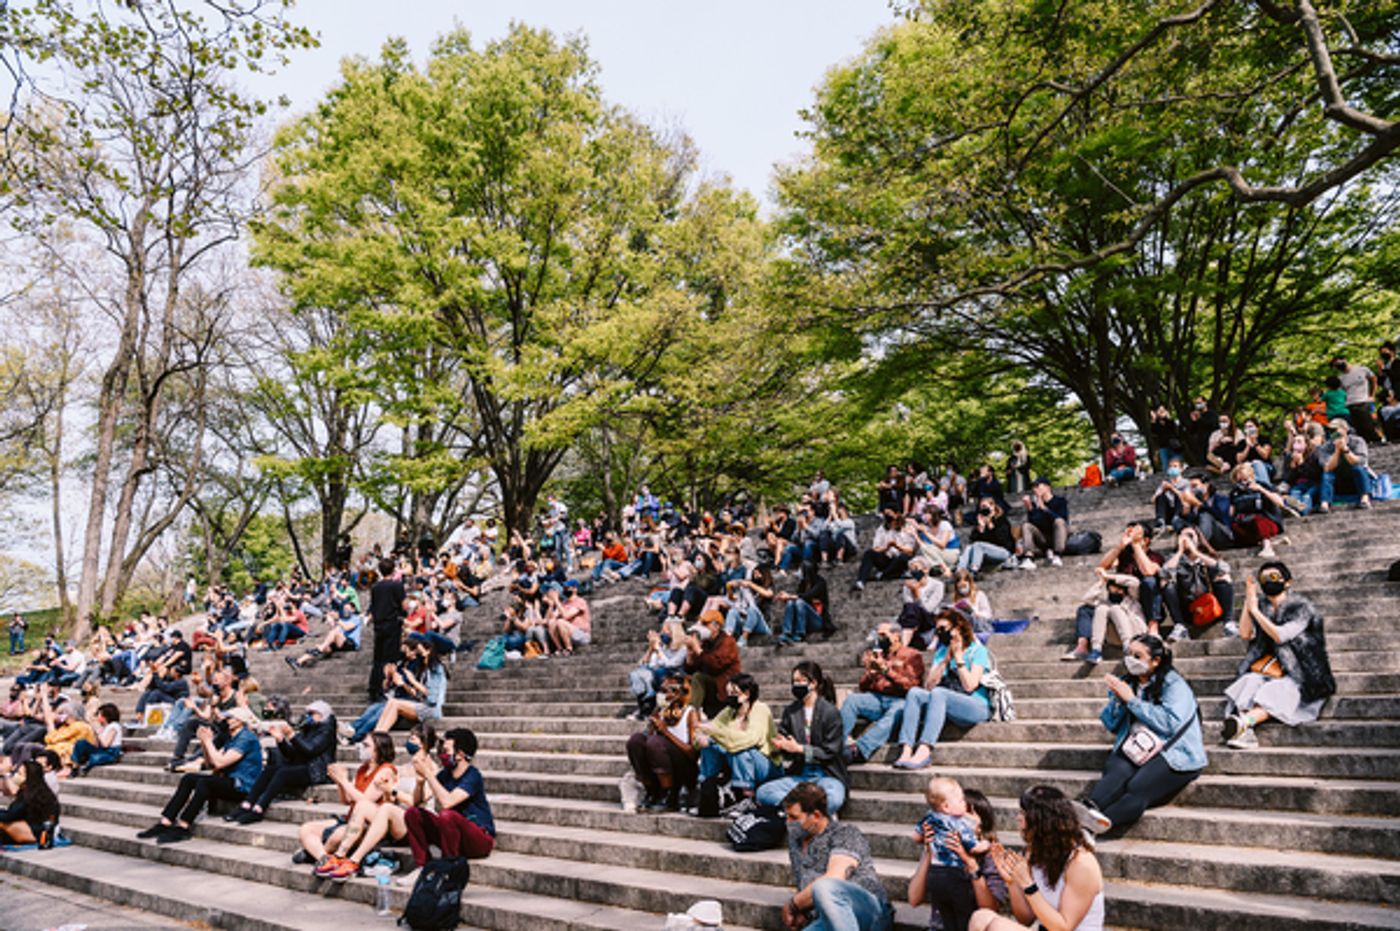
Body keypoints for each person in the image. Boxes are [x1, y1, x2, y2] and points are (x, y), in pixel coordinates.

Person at [1076, 635, 1205, 835]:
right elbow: (1111, 724)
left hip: (1175, 752)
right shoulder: (1129, 682)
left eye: (1138, 655)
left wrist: (1132, 701)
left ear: (1155, 660)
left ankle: (1094, 827)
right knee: (1115, 772)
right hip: (1137, 746)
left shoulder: (1174, 685)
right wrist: (1119, 700)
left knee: (1138, 787)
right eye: (1128, 654)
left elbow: (1170, 724)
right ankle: (1087, 811)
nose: (1130, 660)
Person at [1221, 562, 1335, 750]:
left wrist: (1256, 611)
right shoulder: (1263, 606)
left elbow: (1280, 635)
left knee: (1278, 690)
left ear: (1288, 582)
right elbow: (1245, 634)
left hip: (1302, 673)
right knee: (1249, 681)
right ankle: (1244, 730)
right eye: (1264, 578)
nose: (1268, 581)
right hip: (1271, 668)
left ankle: (1244, 722)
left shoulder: (1302, 607)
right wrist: (1249, 605)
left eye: (1273, 577)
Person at [975, 786, 1105, 931]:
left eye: (1023, 813)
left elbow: (1063, 927)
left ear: (1041, 820)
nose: (1018, 818)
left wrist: (1028, 884)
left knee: (998, 927)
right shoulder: (1035, 852)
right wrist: (1012, 883)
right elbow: (1025, 919)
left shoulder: (1081, 863)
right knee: (980, 918)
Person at [137, 705, 264, 844]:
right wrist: (204, 742)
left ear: (240, 721)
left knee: (205, 783)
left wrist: (209, 741)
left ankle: (184, 826)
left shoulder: (246, 738)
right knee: (188, 778)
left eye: (229, 717)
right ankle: (165, 822)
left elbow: (220, 763)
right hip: (230, 781)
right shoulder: (232, 738)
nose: (225, 720)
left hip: (243, 785)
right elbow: (211, 764)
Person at [780, 782, 893, 931]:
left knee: (825, 886)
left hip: (869, 913)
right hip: (828, 919)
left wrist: (793, 904)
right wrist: (803, 911)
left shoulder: (845, 833)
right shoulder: (796, 841)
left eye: (794, 817)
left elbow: (834, 878)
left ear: (815, 815)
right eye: (786, 816)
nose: (788, 822)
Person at [893, 609, 993, 770]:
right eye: (937, 629)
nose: (939, 633)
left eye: (943, 629)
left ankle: (924, 750)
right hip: (948, 702)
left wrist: (959, 658)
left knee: (940, 693)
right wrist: (946, 660)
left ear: (957, 628)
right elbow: (928, 686)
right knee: (915, 693)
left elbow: (970, 685)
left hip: (976, 705)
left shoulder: (978, 651)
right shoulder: (941, 652)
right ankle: (906, 748)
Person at [400, 728, 495, 880]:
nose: (442, 755)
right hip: (453, 835)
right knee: (413, 813)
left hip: (479, 840)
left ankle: (447, 869)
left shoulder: (473, 776)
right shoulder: (445, 775)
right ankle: (423, 866)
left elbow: (447, 802)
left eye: (446, 751)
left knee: (447, 816)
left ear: (460, 755)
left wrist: (428, 773)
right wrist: (420, 783)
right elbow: (417, 802)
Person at [298, 732, 398, 874]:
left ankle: (313, 854)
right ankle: (323, 858)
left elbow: (364, 802)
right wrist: (339, 781)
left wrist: (344, 780)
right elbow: (347, 800)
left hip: (369, 824)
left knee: (337, 837)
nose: (361, 748)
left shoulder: (386, 770)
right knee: (306, 829)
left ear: (378, 750)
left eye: (366, 745)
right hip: (350, 819)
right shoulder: (362, 769)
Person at [756, 661, 848, 814]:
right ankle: (808, 812)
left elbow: (830, 751)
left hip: (826, 774)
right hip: (801, 774)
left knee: (835, 797)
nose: (796, 685)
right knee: (764, 792)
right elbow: (786, 743)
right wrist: (782, 746)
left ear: (813, 683)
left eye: (800, 681)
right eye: (794, 682)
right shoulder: (791, 711)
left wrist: (799, 748)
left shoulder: (830, 712)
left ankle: (797, 811)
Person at [910, 788, 1008, 931]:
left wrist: (971, 864)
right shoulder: (940, 851)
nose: (957, 821)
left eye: (966, 814)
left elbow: (990, 909)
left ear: (980, 824)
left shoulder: (990, 856)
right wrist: (928, 854)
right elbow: (914, 899)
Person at [226, 700, 336, 824]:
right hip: (301, 765)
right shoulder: (307, 728)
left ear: (323, 715)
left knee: (282, 772)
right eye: (308, 713)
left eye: (313, 713)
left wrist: (292, 736)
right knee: (270, 770)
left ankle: (259, 808)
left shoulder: (327, 731)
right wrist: (281, 740)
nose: (308, 716)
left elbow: (310, 750)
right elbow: (291, 754)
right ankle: (247, 803)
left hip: (316, 770)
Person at [839, 622, 925, 765]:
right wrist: (870, 673)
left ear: (896, 636)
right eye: (878, 635)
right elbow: (863, 687)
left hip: (900, 699)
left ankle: (859, 749)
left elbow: (912, 686)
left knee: (898, 710)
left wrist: (886, 670)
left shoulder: (912, 655)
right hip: (877, 698)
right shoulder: (879, 654)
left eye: (884, 635)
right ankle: (837, 743)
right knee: (852, 700)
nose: (879, 638)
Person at [694, 673, 779, 810]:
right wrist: (702, 738)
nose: (730, 697)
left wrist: (714, 734)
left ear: (747, 694)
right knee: (710, 747)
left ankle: (746, 797)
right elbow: (704, 733)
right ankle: (707, 789)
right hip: (736, 762)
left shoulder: (760, 709)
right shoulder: (728, 712)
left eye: (734, 693)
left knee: (739, 750)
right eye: (728, 693)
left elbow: (750, 739)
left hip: (765, 764)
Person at [624, 673, 699, 812]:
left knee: (655, 742)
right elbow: (646, 743)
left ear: (679, 692)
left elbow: (693, 753)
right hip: (660, 761)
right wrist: (653, 726)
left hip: (684, 766)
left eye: (667, 691)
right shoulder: (660, 711)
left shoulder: (690, 713)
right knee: (636, 740)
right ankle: (651, 790)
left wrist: (666, 732)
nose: (663, 695)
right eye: (661, 690)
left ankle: (669, 794)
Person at [1159, 526, 1234, 641]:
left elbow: (1225, 568)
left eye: (1190, 536)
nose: (1187, 540)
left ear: (1198, 539)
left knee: (1224, 577)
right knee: (1166, 582)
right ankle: (1180, 627)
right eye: (1183, 537)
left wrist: (1196, 553)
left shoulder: (1207, 557)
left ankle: (1228, 624)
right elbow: (1163, 573)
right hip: (1189, 610)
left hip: (1212, 607)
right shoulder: (1174, 559)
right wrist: (1180, 552)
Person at [683, 609, 742, 719]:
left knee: (698, 677)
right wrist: (690, 654)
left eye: (706, 624)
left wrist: (697, 648)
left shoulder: (728, 642)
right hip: (711, 685)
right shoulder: (706, 643)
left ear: (717, 626)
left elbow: (716, 665)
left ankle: (692, 714)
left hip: (724, 686)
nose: (703, 627)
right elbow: (690, 669)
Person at [625, 619, 688, 720]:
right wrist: (651, 649)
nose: (662, 634)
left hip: (673, 674)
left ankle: (645, 709)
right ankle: (645, 707)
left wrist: (658, 650)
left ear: (674, 633)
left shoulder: (683, 648)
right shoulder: (663, 647)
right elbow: (645, 664)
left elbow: (671, 664)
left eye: (665, 631)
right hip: (656, 674)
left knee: (652, 675)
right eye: (662, 631)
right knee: (637, 674)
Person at [367, 558, 406, 701]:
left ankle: (373, 687)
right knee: (390, 658)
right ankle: (385, 687)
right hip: (391, 623)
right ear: (393, 569)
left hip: (379, 625)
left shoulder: (375, 587)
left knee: (378, 658)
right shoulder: (396, 585)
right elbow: (404, 605)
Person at [852, 510, 916, 592]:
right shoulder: (882, 529)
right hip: (886, 556)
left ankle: (883, 574)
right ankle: (861, 581)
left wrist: (897, 546)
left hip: (899, 559)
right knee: (869, 553)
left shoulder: (906, 529)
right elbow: (875, 548)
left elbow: (910, 550)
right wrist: (886, 547)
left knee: (903, 558)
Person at [1318, 417, 1374, 512]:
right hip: (1339, 481)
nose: (1333, 432)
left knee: (1359, 469)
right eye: (1331, 430)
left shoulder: (1358, 441)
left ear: (1345, 429)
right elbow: (1327, 467)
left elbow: (1359, 462)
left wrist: (1345, 449)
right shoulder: (1326, 447)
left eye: (1335, 429)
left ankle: (1365, 499)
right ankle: (1324, 504)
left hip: (1357, 479)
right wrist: (1337, 451)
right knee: (1327, 475)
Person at [0, 760, 59, 846]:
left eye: (20, 774)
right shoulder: (34, 791)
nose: (16, 776)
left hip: (37, 833)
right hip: (34, 829)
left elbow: (10, 815)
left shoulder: (32, 795)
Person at [778, 561, 834, 644]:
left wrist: (788, 596)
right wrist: (787, 597)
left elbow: (807, 596)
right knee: (791, 602)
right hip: (804, 619)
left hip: (818, 620)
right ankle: (786, 633)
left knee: (799, 602)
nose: (799, 572)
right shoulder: (803, 583)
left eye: (801, 569)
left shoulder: (820, 583)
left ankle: (800, 634)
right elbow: (797, 596)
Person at [1017, 478, 1067, 569]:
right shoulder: (1035, 504)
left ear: (1047, 487)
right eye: (1033, 487)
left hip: (1058, 537)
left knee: (1059, 521)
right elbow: (1034, 524)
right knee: (1026, 525)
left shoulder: (1060, 501)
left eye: (1037, 486)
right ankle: (1029, 557)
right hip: (1043, 538)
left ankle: (1057, 555)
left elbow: (1063, 520)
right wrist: (1030, 509)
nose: (1035, 489)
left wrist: (1044, 509)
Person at [958, 500, 1014, 577]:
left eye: (986, 507)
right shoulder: (981, 523)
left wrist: (991, 526)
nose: (985, 510)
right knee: (969, 547)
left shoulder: (1001, 520)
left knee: (978, 545)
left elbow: (1003, 540)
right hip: (987, 553)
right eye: (982, 508)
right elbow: (973, 543)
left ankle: (974, 571)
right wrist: (981, 529)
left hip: (1004, 552)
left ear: (993, 507)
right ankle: (960, 572)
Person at [1332, 353, 1378, 442]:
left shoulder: (1362, 370)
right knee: (1359, 428)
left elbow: (1374, 380)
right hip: (1350, 404)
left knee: (1369, 425)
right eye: (1335, 366)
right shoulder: (1340, 378)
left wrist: (1372, 395)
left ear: (1344, 359)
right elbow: (1340, 392)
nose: (1338, 366)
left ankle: (1377, 440)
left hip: (1364, 401)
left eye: (1338, 363)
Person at [69, 702, 122, 777]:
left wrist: (98, 732)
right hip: (101, 750)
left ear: (105, 717)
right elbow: (97, 744)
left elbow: (106, 744)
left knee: (94, 758)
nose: (97, 717)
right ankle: (74, 767)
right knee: (80, 743)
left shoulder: (114, 726)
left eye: (99, 715)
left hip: (111, 752)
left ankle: (86, 767)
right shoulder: (104, 727)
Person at [545, 580, 591, 655]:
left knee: (560, 622)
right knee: (552, 622)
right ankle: (560, 649)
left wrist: (556, 600)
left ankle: (569, 649)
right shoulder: (564, 603)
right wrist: (551, 605)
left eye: (567, 588)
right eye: (564, 587)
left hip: (582, 634)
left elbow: (566, 616)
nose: (565, 589)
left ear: (575, 589)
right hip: (568, 633)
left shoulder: (580, 602)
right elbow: (552, 618)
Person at [1149, 405, 1186, 474]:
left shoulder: (1171, 422)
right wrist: (1154, 419)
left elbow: (1174, 431)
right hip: (1163, 448)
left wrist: (1168, 418)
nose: (1161, 412)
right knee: (1166, 468)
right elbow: (1154, 432)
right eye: (1159, 411)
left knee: (1177, 467)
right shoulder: (1156, 423)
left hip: (1175, 447)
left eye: (1163, 410)